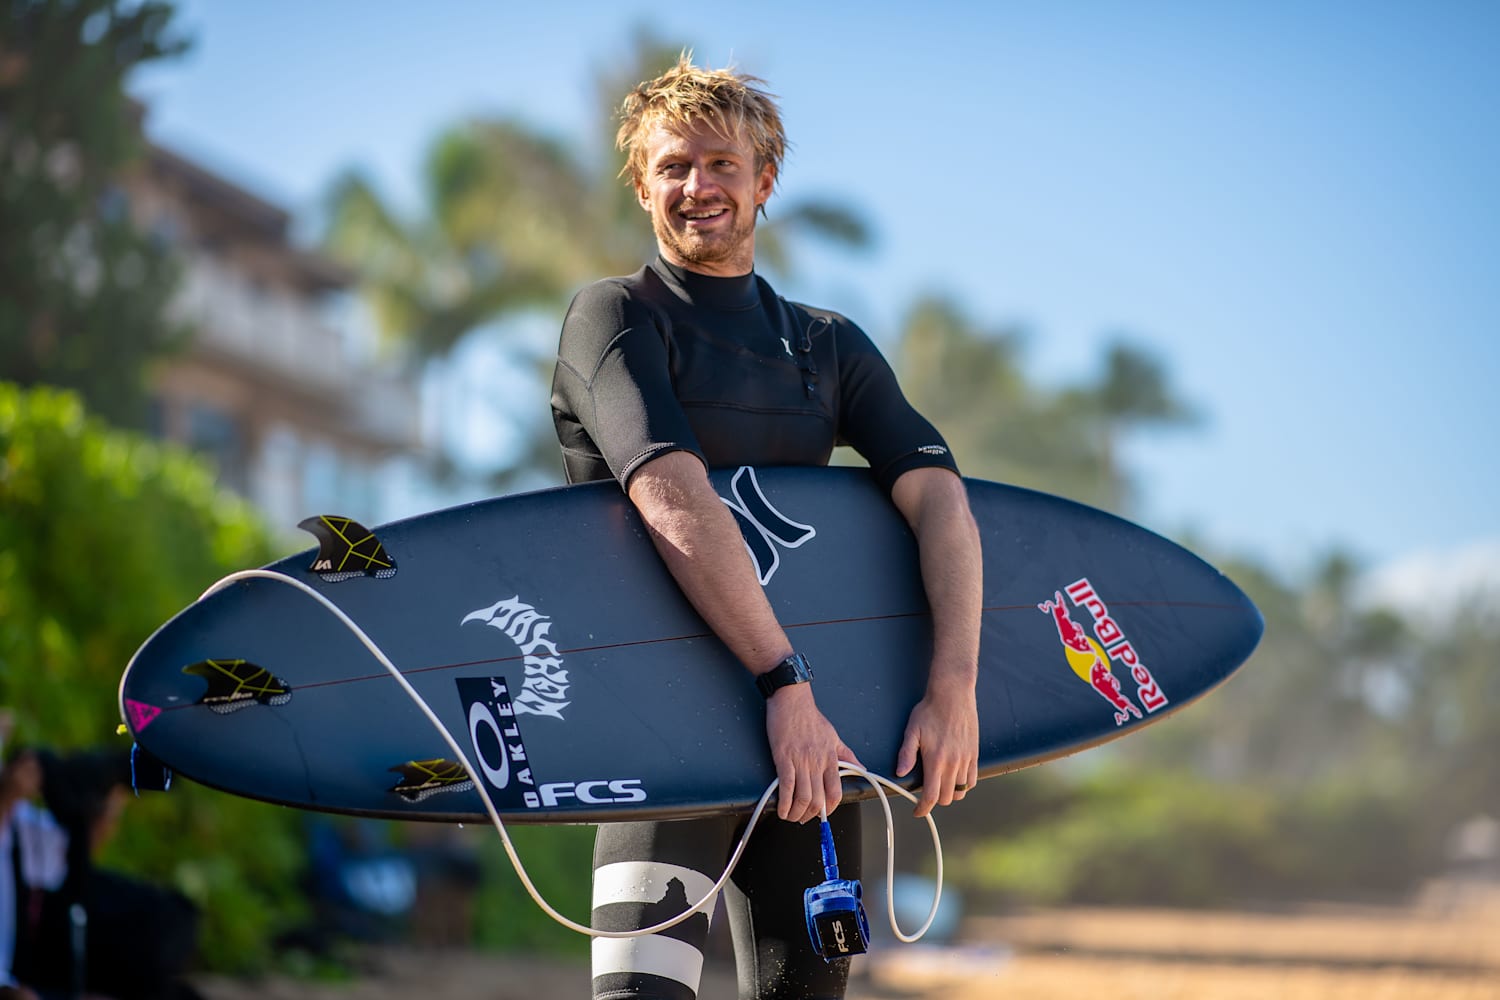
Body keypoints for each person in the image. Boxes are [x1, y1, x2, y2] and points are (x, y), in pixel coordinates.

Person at [551, 55, 983, 1000]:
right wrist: (784, 683)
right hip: (660, 740)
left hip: (814, 763)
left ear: (763, 180)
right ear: (641, 185)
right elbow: (668, 492)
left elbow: (940, 497)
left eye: (719, 163)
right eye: (672, 167)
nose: (697, 186)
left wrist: (952, 688)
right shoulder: (614, 318)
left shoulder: (828, 345)